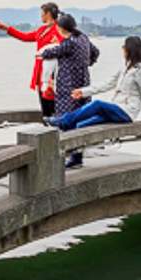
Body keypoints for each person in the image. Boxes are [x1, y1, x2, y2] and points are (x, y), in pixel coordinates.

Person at [51, 36, 141, 130]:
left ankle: (63, 121)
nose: (122, 49)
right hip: (116, 107)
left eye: (124, 47)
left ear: (130, 50)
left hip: (127, 112)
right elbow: (107, 84)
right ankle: (73, 152)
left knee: (97, 104)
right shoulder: (126, 66)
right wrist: (83, 92)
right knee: (82, 124)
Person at [40, 14, 100, 168]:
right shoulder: (83, 38)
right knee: (79, 118)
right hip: (84, 83)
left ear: (60, 28)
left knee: (68, 119)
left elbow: (52, 52)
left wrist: (41, 54)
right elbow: (95, 52)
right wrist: (87, 64)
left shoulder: (69, 42)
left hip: (69, 85)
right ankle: (75, 154)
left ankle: (74, 156)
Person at [0, 3, 65, 117]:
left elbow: (65, 46)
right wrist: (7, 29)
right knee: (44, 106)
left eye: (42, 13)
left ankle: (56, 130)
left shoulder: (59, 29)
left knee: (52, 107)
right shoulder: (42, 29)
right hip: (40, 72)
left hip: (52, 74)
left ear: (48, 14)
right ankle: (48, 128)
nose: (40, 16)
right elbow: (25, 37)